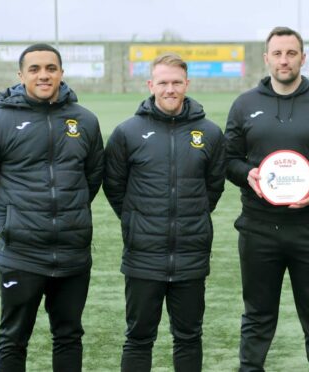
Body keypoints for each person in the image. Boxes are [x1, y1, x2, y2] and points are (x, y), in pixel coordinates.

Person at [224, 26, 309, 371]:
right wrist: (245, 175)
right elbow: (229, 159)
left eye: (291, 53)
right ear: (266, 59)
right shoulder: (244, 104)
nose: (284, 60)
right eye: (277, 54)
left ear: (302, 58)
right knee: (257, 316)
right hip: (258, 228)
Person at [0, 43, 104, 372]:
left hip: (73, 253)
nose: (43, 75)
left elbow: (92, 178)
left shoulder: (84, 121)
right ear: (20, 75)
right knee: (14, 338)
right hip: (21, 255)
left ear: (61, 73)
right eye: (35, 69)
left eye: (51, 68)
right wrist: (8, 225)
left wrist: (66, 218)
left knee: (69, 336)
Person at [103, 53, 225, 372]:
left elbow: (213, 187)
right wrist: (136, 220)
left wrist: (189, 217)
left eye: (176, 82)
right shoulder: (127, 132)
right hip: (143, 256)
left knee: (188, 337)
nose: (169, 89)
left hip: (191, 255)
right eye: (163, 82)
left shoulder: (209, 133)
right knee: (139, 338)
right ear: (150, 85)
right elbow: (115, 187)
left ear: (187, 83)